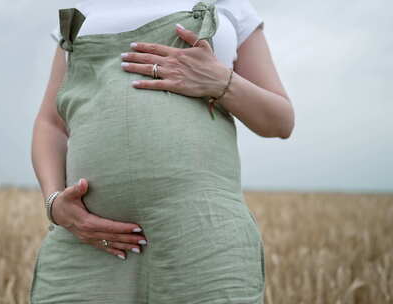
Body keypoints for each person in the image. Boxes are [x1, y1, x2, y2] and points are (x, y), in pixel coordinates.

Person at [30, 0, 294, 303]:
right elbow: (51, 124)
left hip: (204, 238)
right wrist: (53, 202)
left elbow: (280, 121)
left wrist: (221, 81)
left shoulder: (230, 6)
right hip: (89, 243)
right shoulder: (84, 11)